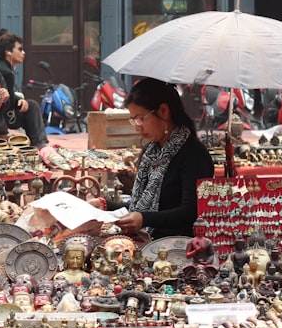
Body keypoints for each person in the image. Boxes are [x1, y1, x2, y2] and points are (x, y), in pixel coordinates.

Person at [90, 77, 213, 238]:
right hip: (149, 239)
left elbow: (191, 212)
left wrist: (144, 219)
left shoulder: (193, 155)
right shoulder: (152, 152)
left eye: (141, 118)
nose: (137, 126)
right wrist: (105, 205)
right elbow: (140, 208)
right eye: (133, 120)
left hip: (179, 246)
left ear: (163, 111)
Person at [0, 33, 47, 148]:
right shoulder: (6, 72)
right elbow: (10, 102)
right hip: (1, 117)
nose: (23, 53)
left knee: (28, 104)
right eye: (20, 49)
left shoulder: (0, 67)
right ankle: (39, 143)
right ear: (8, 52)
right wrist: (21, 100)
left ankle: (38, 143)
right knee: (32, 105)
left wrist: (20, 99)